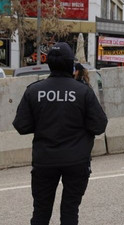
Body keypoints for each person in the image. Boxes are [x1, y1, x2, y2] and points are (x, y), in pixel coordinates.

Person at [13, 42, 108, 225]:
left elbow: (21, 126)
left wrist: (44, 122)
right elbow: (99, 125)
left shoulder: (34, 90)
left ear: (49, 63)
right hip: (77, 160)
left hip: (44, 160)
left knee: (41, 212)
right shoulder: (83, 91)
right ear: (71, 64)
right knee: (70, 211)